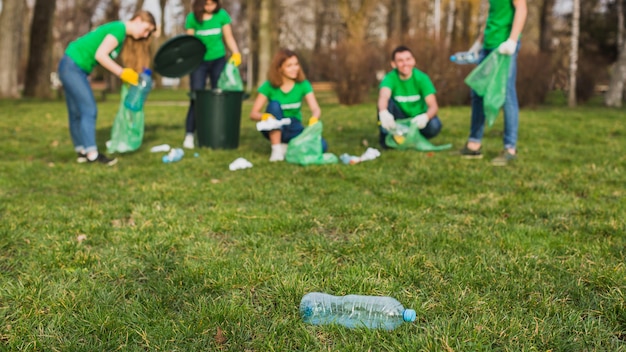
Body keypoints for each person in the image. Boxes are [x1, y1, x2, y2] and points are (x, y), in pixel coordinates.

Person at [58, 11, 156, 166]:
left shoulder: (120, 34)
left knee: (76, 112)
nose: (145, 35)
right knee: (89, 109)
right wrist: (121, 73)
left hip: (72, 66)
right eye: (146, 29)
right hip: (72, 67)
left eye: (149, 33)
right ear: (138, 19)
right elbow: (100, 55)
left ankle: (82, 152)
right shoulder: (119, 29)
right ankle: (92, 154)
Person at [459, 0, 527, 166]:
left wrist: (512, 40)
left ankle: (510, 148)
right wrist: (477, 45)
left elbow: (522, 9)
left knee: (506, 94)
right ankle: (474, 144)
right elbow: (493, 17)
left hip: (504, 46)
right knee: (477, 92)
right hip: (488, 46)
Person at [183, 0, 241, 149]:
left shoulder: (222, 15)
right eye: (206, 4)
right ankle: (190, 134)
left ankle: (218, 131)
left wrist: (236, 53)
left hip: (218, 60)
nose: (209, 7)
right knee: (196, 96)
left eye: (212, 4)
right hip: (199, 62)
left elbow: (228, 36)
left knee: (219, 96)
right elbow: (190, 42)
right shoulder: (192, 18)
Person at [250, 49, 325, 162]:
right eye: (289, 66)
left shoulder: (303, 85)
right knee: (274, 105)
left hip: (294, 126)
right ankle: (276, 151)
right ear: (279, 68)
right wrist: (265, 117)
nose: (295, 68)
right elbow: (253, 113)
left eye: (296, 64)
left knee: (322, 145)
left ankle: (286, 147)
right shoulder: (269, 86)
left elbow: (315, 108)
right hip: (274, 126)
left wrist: (314, 117)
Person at [377, 46, 443, 149]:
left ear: (414, 61)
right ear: (393, 64)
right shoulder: (390, 78)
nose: (405, 64)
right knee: (385, 104)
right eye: (400, 60)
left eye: (408, 59)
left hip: (417, 119)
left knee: (435, 125)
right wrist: (383, 112)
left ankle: (413, 136)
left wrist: (426, 117)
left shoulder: (422, 78)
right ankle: (387, 136)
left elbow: (433, 106)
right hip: (399, 117)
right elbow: (384, 95)